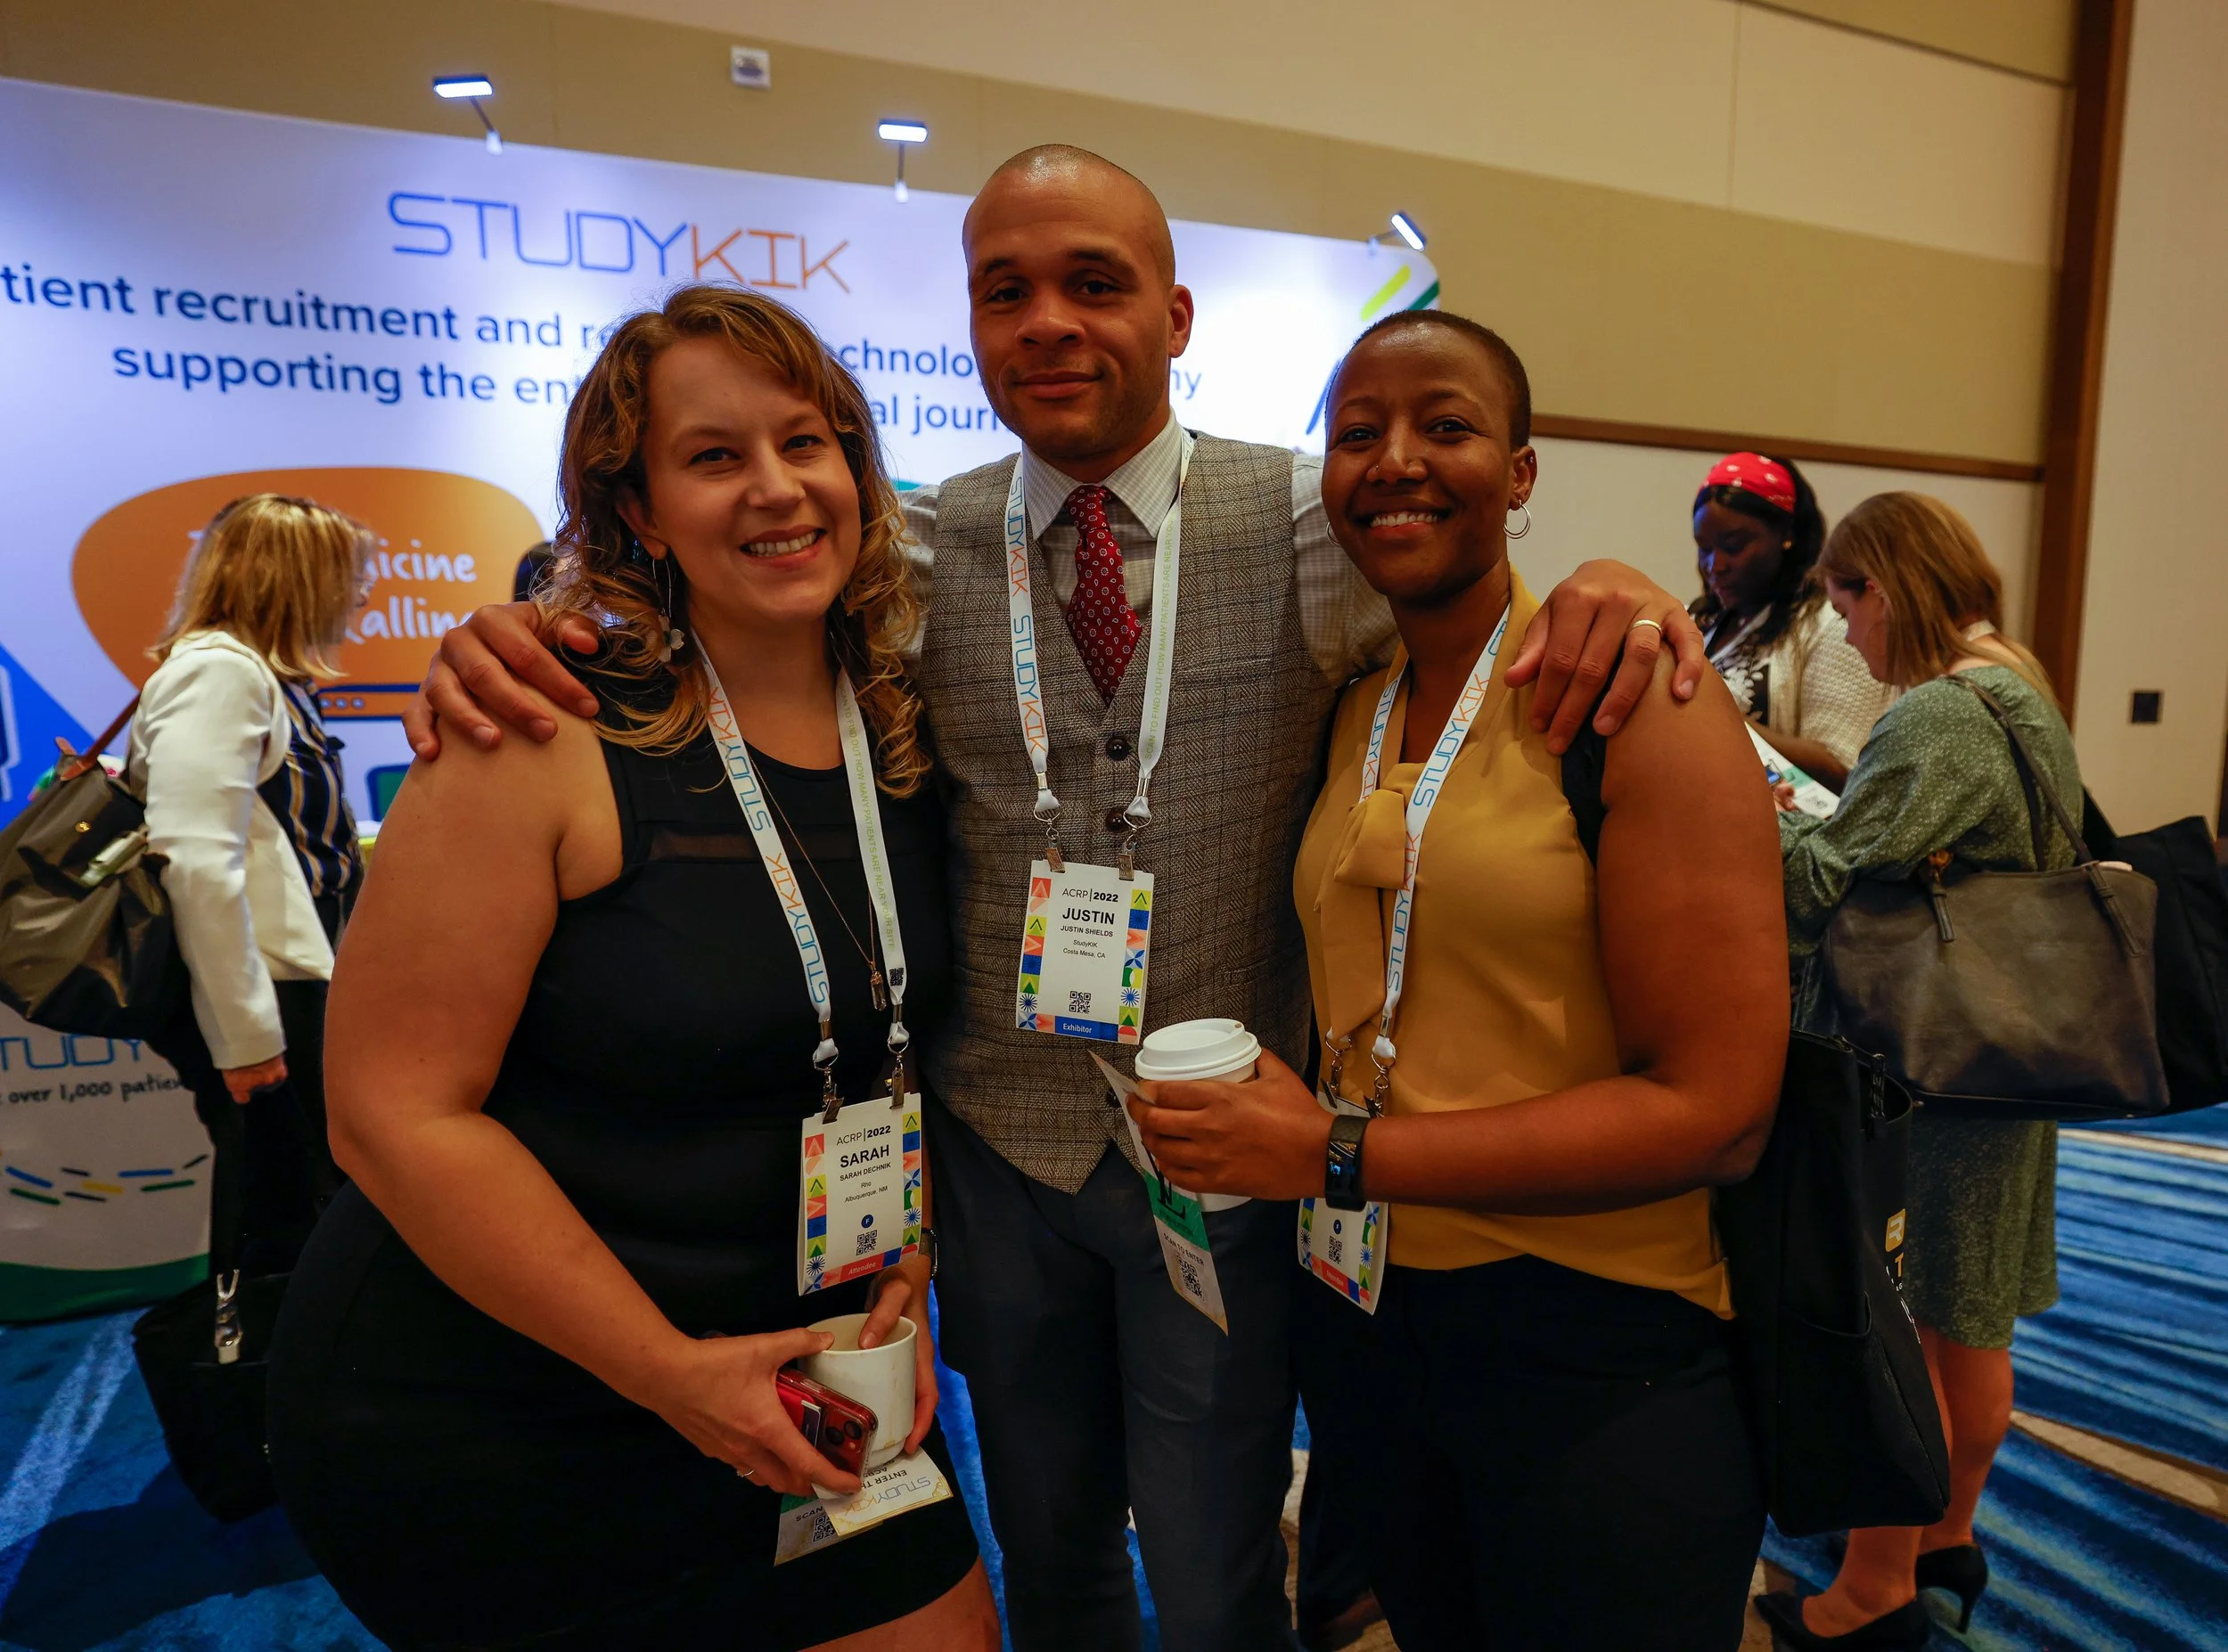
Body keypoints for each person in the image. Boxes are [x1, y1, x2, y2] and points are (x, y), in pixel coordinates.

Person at [402, 147, 1714, 1652]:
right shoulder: (897, 551)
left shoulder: (1311, 522)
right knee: (1048, 1536)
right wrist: (516, 628)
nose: (1048, 322)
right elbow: (699, 598)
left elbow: (1485, 603)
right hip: (992, 1151)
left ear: (1175, 311)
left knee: (1219, 1544)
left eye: (1094, 284)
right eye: (1004, 291)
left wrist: (1623, 576)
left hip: (1216, 1159)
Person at [265, 287, 997, 1651]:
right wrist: (666, 1374)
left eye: (808, 441)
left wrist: (910, 1252)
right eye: (715, 457)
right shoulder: (535, 725)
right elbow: (389, 1111)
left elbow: (880, 1040)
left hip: (798, 1370)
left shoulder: (901, 724)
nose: (777, 488)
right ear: (641, 509)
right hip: (503, 1396)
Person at [1127, 311, 1790, 1651]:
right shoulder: (1358, 706)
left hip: (1595, 1339)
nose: (1396, 461)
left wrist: (1338, 1152)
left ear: (1524, 471)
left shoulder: (1630, 697)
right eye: (1358, 432)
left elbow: (1720, 1112)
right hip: (1374, 1324)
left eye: (1447, 426)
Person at [1753, 494, 2076, 1651]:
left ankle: (1873, 1587)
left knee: (1903, 1323)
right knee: (1968, 1319)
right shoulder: (2017, 679)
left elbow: (1822, 879)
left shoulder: (1940, 716)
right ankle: (1947, 1543)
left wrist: (1756, 805)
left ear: (1886, 584)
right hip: (2013, 1048)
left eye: (1846, 600)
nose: (1841, 631)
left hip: (1936, 1071)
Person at [131, 494, 368, 1276]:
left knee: (309, 1211)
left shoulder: (264, 678)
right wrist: (247, 1038)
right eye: (349, 576)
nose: (363, 596)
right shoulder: (219, 675)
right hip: (268, 1001)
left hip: (292, 993)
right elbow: (196, 860)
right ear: (295, 580)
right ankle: (271, 1386)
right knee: (289, 1228)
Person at [1691, 452, 1891, 789]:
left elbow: (1843, 769)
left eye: (1734, 545)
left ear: (1786, 533)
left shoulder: (1833, 625)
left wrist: (1717, 718)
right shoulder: (1704, 620)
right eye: (1704, 547)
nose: (1715, 565)